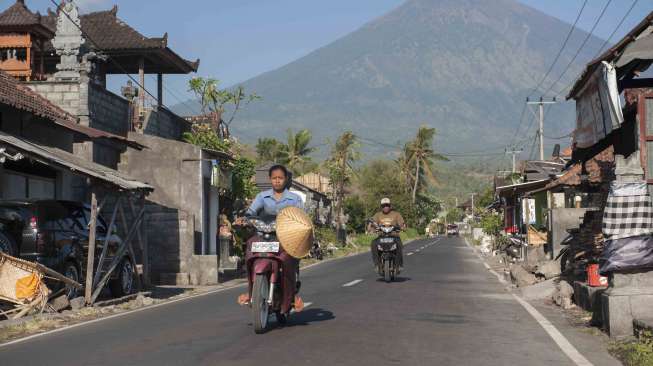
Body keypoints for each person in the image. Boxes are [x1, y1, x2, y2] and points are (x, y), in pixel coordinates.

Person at [236, 164, 305, 311]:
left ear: (286, 179)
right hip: (263, 236)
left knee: (290, 260)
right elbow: (251, 212)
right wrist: (245, 219)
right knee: (249, 246)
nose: (277, 181)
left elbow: (301, 217)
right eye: (274, 178)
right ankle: (251, 291)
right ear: (270, 179)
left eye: (280, 178)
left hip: (285, 238)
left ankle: (291, 293)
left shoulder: (295, 199)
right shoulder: (262, 196)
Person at [369, 197, 406, 271]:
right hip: (381, 236)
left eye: (387, 205)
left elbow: (402, 224)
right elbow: (371, 224)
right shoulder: (377, 215)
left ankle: (399, 264)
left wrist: (402, 227)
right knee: (373, 244)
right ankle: (377, 264)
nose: (386, 207)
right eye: (384, 205)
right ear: (381, 207)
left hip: (394, 235)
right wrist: (371, 229)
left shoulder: (396, 214)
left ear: (390, 206)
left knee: (399, 245)